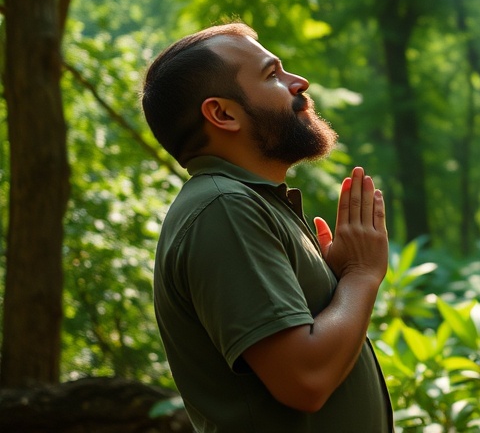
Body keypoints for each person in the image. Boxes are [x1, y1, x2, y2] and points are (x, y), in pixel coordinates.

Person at [142, 22, 392, 432]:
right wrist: (360, 276)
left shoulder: (249, 204)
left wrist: (334, 285)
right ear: (223, 114)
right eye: (272, 74)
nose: (299, 82)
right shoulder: (224, 208)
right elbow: (305, 380)